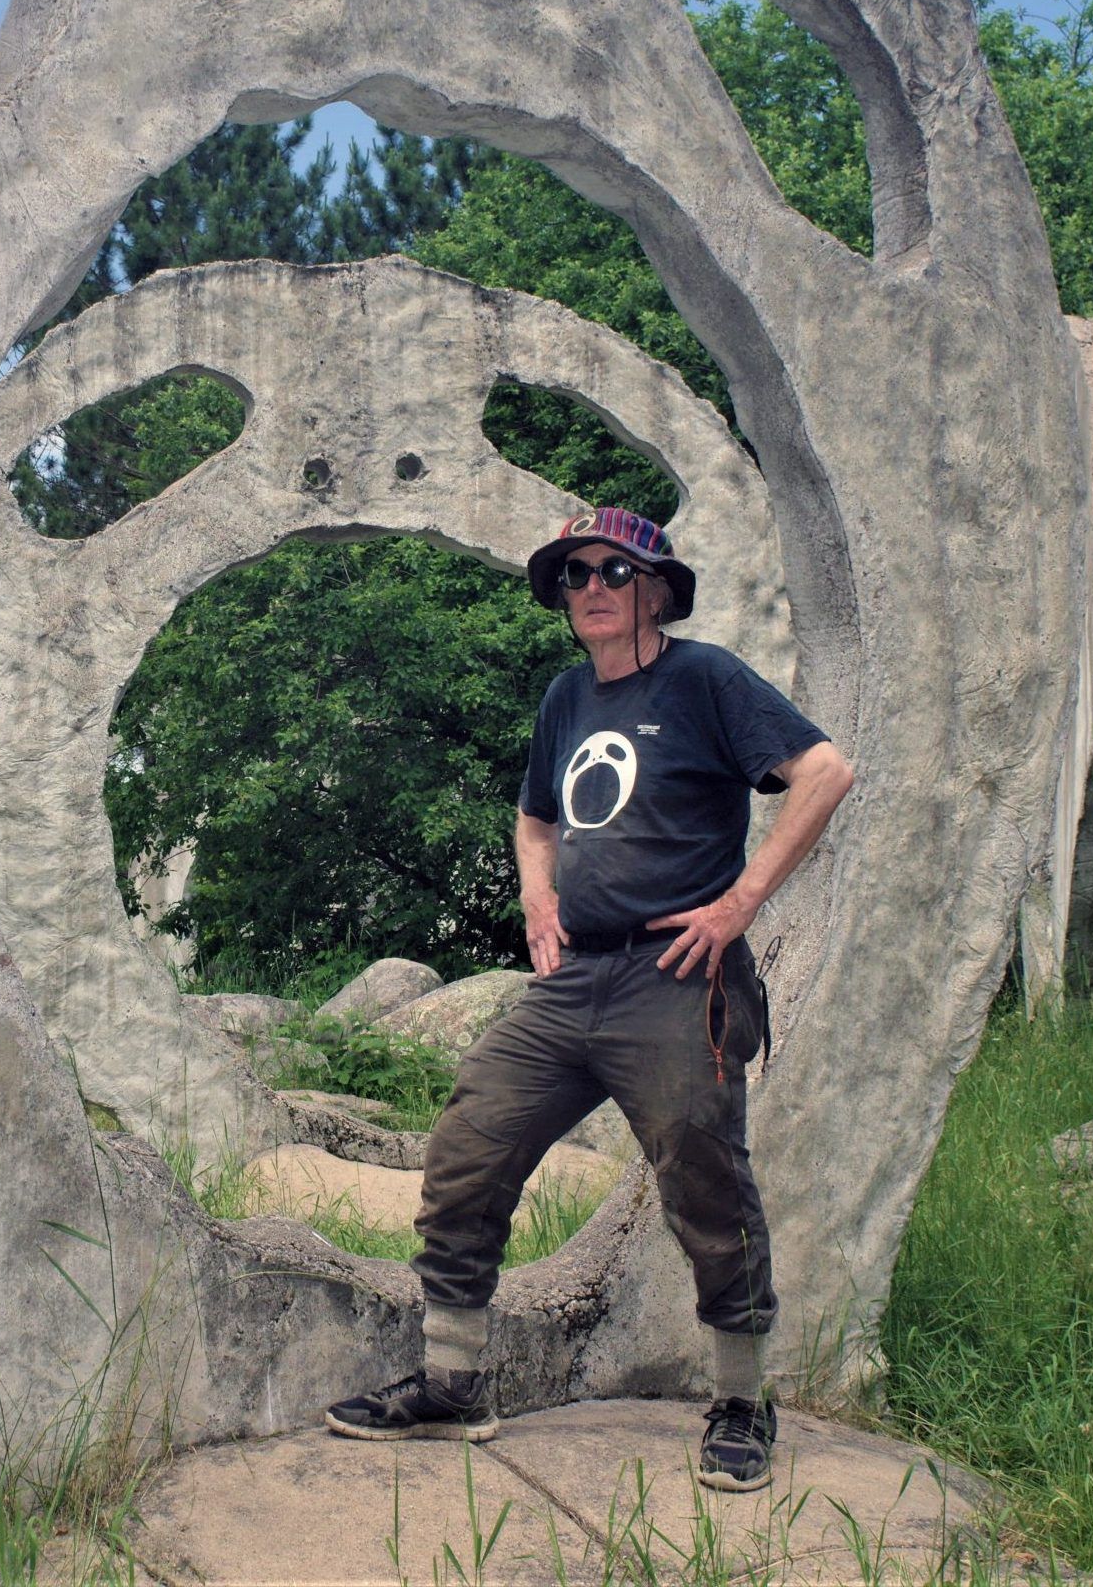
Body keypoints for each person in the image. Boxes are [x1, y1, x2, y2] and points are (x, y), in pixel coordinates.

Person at [323, 505, 854, 1493]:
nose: (593, 587)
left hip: (674, 979)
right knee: (469, 1144)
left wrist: (739, 904)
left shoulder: (706, 679)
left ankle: (741, 1397)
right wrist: (538, 895)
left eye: (614, 570)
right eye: (575, 574)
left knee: (705, 1180)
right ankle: (452, 1383)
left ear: (655, 585)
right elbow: (534, 820)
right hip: (573, 983)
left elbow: (825, 772)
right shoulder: (568, 697)